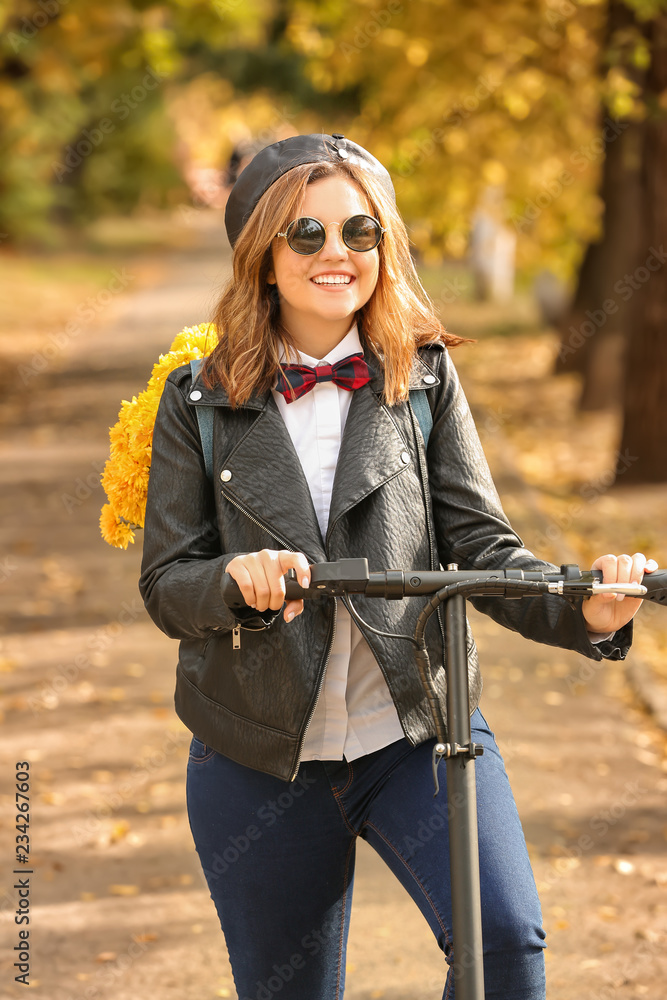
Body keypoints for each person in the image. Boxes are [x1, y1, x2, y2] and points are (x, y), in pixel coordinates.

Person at [139, 134, 656, 1000]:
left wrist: (583, 611)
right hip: (257, 756)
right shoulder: (195, 399)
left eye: (359, 232)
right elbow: (167, 582)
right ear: (263, 254)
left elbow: (481, 548)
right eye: (305, 234)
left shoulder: (421, 379)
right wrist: (237, 584)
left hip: (416, 729)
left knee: (504, 952)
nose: (335, 254)